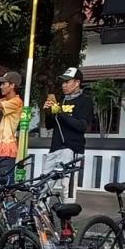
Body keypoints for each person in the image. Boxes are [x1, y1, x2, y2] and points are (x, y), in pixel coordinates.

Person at [42, 67, 93, 202]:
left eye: (67, 82)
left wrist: (61, 114)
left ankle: (67, 220)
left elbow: (82, 126)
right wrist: (48, 112)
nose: (63, 85)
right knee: (43, 184)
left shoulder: (85, 100)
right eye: (63, 82)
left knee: (67, 188)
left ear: (77, 82)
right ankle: (40, 218)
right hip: (55, 147)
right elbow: (50, 125)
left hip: (72, 149)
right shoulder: (60, 100)